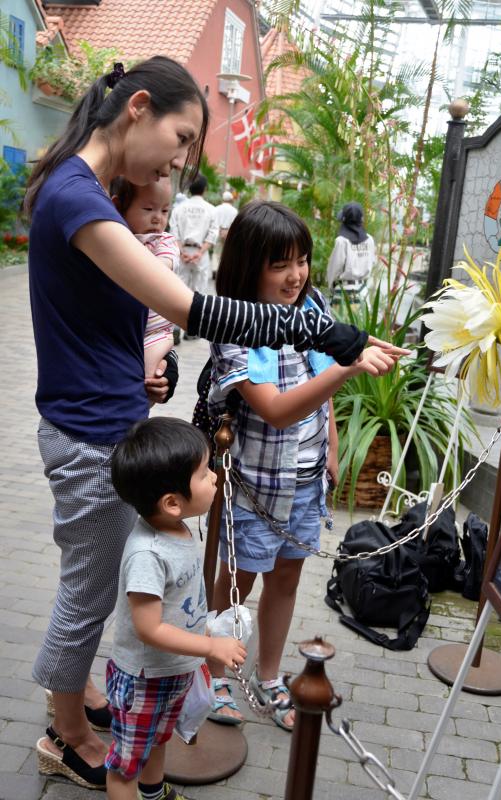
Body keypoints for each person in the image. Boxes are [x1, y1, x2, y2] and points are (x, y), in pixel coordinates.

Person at [24, 55, 407, 789]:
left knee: (97, 579)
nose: (180, 159)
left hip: (106, 416)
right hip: (86, 433)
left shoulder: (87, 190)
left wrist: (149, 369)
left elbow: (114, 317)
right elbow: (198, 309)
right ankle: (65, 731)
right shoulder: (80, 197)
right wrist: (332, 337)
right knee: (88, 588)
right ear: (138, 107)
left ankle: (82, 695)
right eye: (181, 137)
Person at [206, 201, 401, 729]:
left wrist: (334, 448)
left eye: (303, 260)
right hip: (252, 486)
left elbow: (320, 393)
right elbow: (273, 411)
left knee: (287, 578)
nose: (297, 275)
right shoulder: (234, 323)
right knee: (236, 582)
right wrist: (348, 367)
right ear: (250, 266)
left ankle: (269, 676)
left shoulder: (311, 303)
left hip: (305, 479)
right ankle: (216, 674)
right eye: (280, 264)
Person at [102, 417, 246, 800]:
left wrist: (203, 639)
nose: (214, 476)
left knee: (159, 739)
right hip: (143, 679)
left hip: (172, 671)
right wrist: (210, 648)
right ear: (172, 502)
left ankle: (154, 794)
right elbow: (150, 628)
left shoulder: (177, 529)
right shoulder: (148, 554)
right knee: (125, 765)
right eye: (203, 473)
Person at [110, 175, 179, 378]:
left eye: (165, 210)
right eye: (148, 209)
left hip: (156, 333)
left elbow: (161, 268)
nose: (158, 218)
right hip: (125, 331)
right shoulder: (114, 237)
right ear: (118, 206)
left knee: (146, 379)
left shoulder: (163, 241)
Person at [169, 173, 218, 301]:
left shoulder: (178, 209)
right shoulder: (211, 210)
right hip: (201, 253)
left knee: (179, 291)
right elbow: (213, 233)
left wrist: (182, 252)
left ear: (189, 188)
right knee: (200, 294)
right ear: (205, 189)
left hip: (181, 252)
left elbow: (174, 232)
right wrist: (200, 253)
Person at [326, 201, 376, 305]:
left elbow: (334, 268)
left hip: (343, 294)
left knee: (343, 321)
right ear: (361, 220)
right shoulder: (369, 240)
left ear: (344, 220)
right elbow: (372, 263)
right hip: (362, 292)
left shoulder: (341, 241)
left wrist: (331, 286)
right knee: (362, 321)